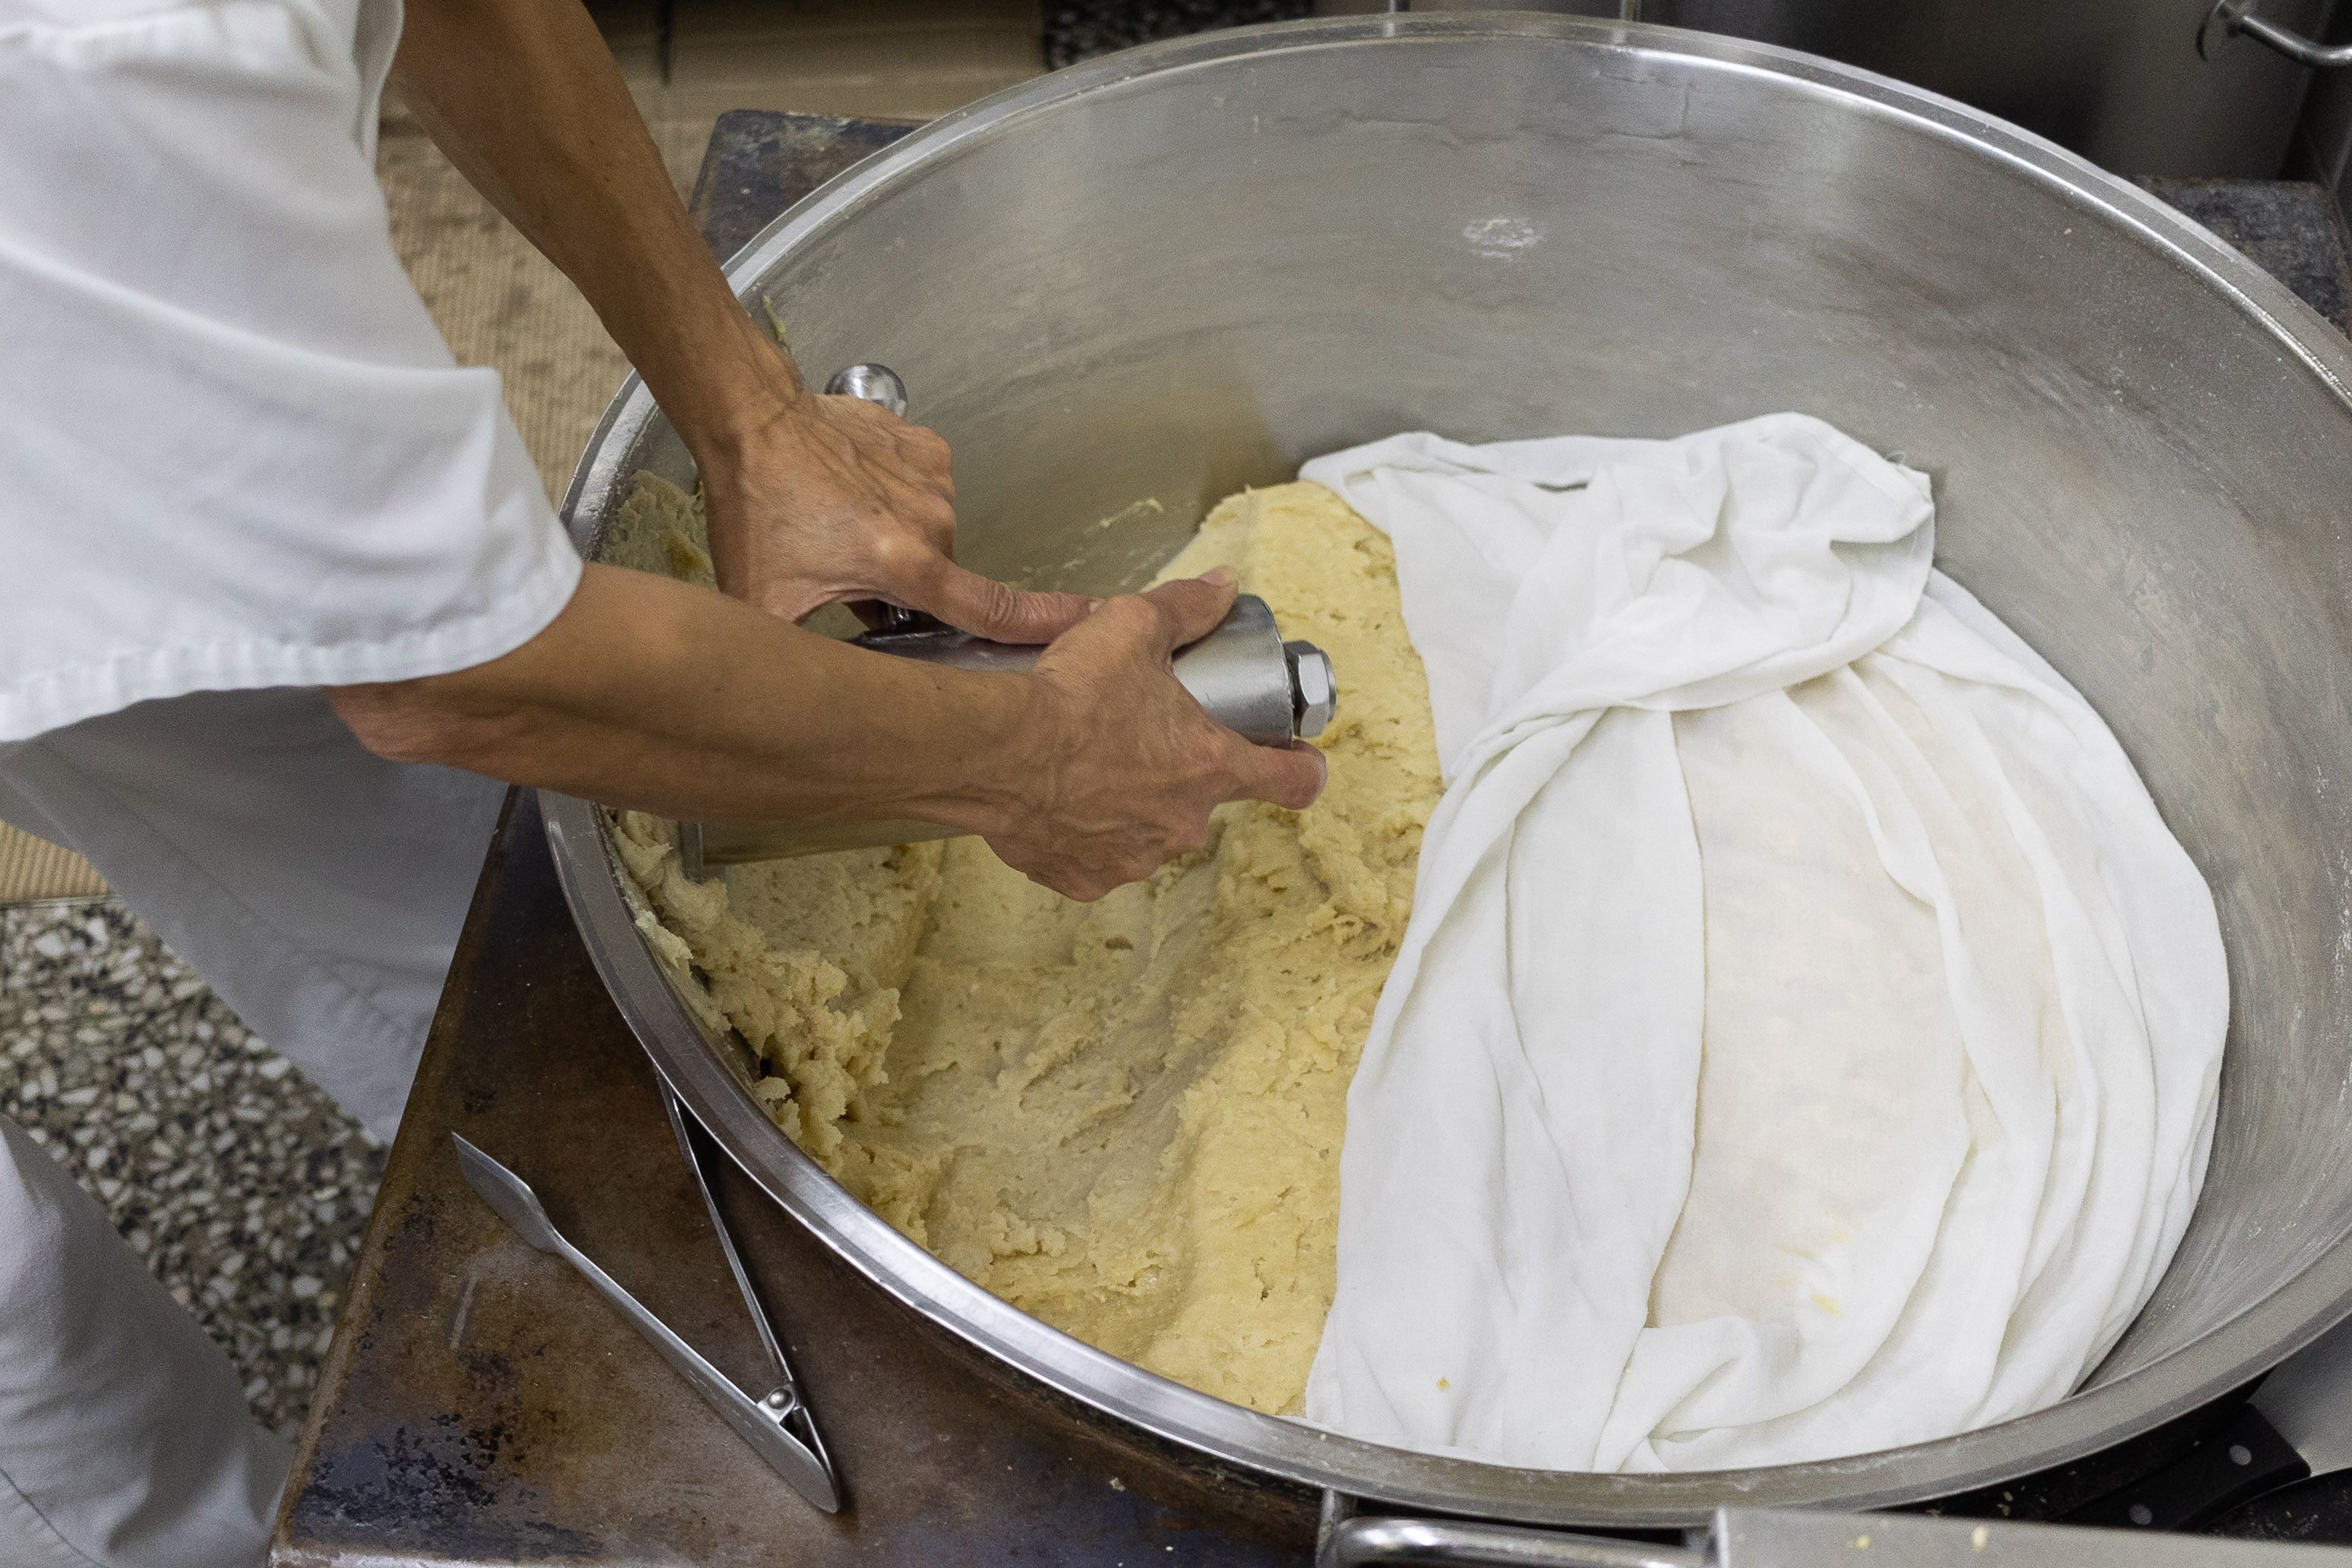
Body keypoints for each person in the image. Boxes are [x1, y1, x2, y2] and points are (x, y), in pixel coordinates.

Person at [0, 0, 1326, 1562]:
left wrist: (752, 415)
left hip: (60, 354)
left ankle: (519, 1150)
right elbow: (455, 679)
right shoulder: (95, 72)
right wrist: (1030, 761)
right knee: (27, 1335)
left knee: (389, 821)